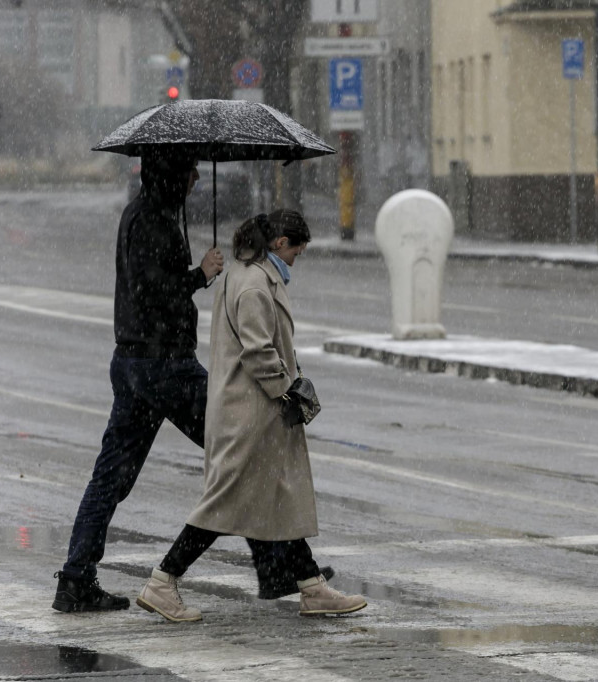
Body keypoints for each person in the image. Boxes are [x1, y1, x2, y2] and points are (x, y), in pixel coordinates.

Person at [52, 155, 330, 612]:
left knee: (117, 479)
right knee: (248, 454)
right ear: (170, 175)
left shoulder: (148, 214)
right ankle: (283, 567)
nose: (197, 177)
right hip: (164, 366)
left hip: (137, 362)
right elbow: (151, 289)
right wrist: (199, 275)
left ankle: (77, 576)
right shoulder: (149, 221)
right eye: (190, 171)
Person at [135, 210, 367, 622]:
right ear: (279, 243)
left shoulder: (243, 273)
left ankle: (312, 587)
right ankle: (162, 581)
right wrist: (289, 391)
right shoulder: (255, 285)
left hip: (251, 412)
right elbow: (258, 351)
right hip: (251, 413)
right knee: (222, 506)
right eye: (297, 249)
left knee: (280, 497)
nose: (297, 257)